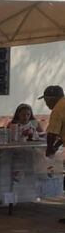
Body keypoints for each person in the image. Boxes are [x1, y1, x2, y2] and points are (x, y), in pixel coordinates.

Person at [41, 85, 65, 224]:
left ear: (52, 99)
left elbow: (52, 132)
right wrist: (56, 146)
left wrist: (49, 148)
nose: (46, 104)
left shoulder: (57, 109)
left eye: (46, 100)